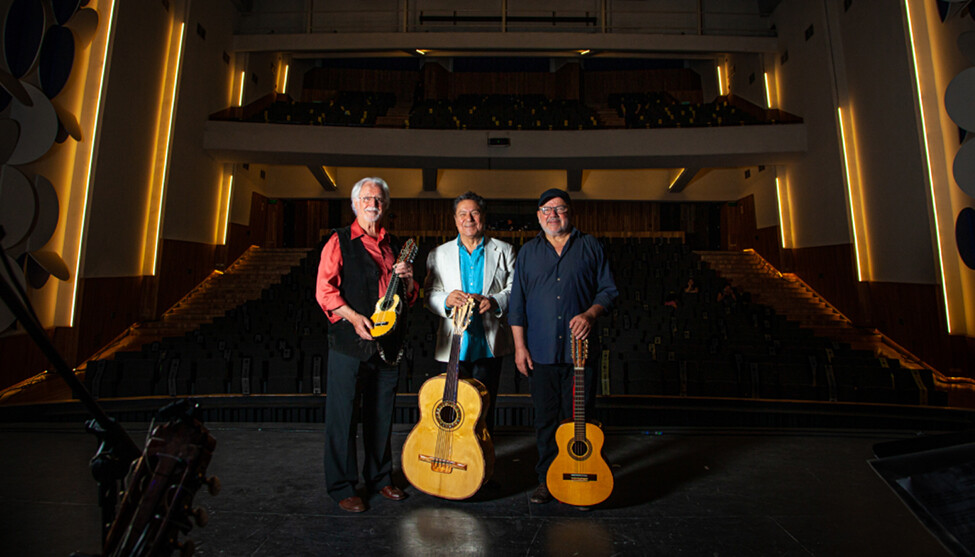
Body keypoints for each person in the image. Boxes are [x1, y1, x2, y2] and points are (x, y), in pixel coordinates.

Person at [508, 188, 619, 505]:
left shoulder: (590, 245)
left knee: (580, 421)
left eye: (558, 208)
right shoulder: (528, 252)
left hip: (580, 355)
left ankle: (581, 478)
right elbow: (517, 304)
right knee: (545, 421)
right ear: (538, 216)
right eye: (546, 209)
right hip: (540, 353)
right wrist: (519, 347)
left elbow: (608, 291)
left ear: (570, 212)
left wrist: (590, 314)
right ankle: (547, 480)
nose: (552, 215)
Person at [315, 176, 417, 513]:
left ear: (385, 205)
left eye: (378, 199)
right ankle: (342, 486)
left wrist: (409, 281)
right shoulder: (339, 241)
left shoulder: (393, 245)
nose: (373, 204)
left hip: (387, 345)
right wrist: (353, 317)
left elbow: (408, 299)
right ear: (355, 204)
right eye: (366, 199)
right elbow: (325, 291)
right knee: (343, 416)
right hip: (349, 342)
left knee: (381, 414)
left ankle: (380, 478)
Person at [425, 191, 516, 435]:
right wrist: (446, 300)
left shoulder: (505, 250)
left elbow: (515, 290)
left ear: (483, 217)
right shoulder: (438, 253)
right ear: (455, 220)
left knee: (484, 409)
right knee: (452, 410)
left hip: (489, 344)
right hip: (453, 345)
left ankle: (483, 454)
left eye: (474, 213)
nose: (469, 219)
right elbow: (429, 294)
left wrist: (494, 301)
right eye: (462, 214)